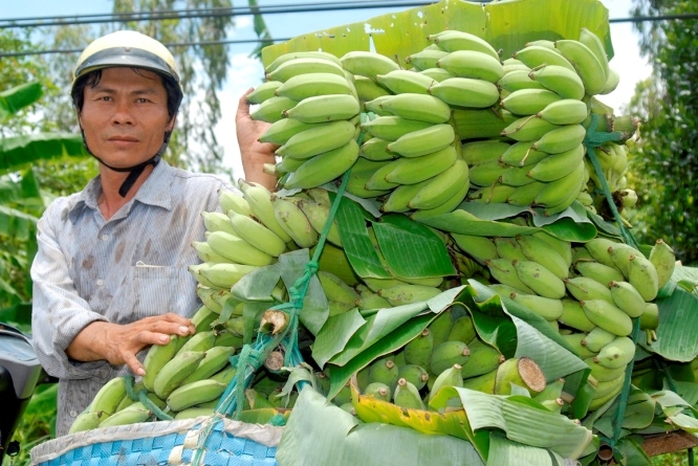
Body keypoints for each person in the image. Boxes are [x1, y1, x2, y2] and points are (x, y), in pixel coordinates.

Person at [30, 30, 277, 436]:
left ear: (170, 119)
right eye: (105, 98)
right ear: (80, 114)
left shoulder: (207, 199)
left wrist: (258, 166)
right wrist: (111, 337)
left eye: (143, 100)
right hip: (78, 443)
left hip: (183, 443)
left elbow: (261, 272)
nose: (122, 115)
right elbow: (52, 321)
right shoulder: (61, 220)